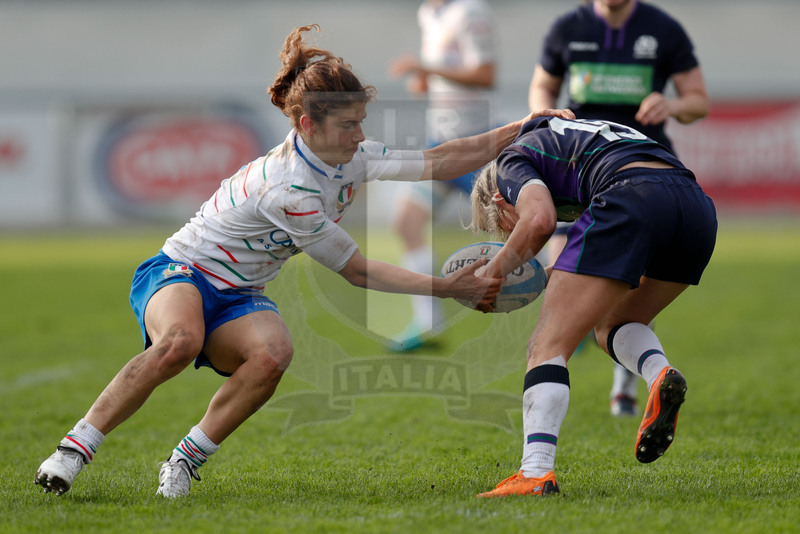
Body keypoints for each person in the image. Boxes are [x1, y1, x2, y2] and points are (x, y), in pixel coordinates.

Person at [33, 24, 572, 498]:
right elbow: (358, 271)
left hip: (241, 292)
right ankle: (73, 450)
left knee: (273, 355)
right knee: (179, 342)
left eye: (361, 122)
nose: (360, 135)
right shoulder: (288, 189)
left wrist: (523, 126)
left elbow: (438, 160)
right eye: (349, 125)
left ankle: (184, 461)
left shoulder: (352, 156)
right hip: (182, 272)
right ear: (308, 125)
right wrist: (448, 287)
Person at [468, 115, 717, 497]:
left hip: (631, 195)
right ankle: (659, 374)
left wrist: (493, 273)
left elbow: (538, 221)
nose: (507, 235)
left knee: (546, 345)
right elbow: (589, 258)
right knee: (614, 323)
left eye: (503, 227)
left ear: (499, 200)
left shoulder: (510, 163)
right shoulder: (578, 143)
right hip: (694, 206)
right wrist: (539, 275)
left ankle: (535, 473)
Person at [528, 0, 710, 416]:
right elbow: (542, 87)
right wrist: (544, 115)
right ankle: (566, 371)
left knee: (635, 283)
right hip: (578, 171)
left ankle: (622, 389)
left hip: (642, 173)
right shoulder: (568, 28)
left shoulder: (662, 28)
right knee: (563, 275)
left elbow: (698, 100)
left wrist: (672, 105)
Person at [387, 0, 496, 350]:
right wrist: (426, 80)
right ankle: (428, 324)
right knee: (407, 221)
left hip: (475, 145)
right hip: (441, 143)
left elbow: (485, 75)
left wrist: (427, 69)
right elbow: (443, 74)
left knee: (523, 230)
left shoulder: (471, 11)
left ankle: (574, 307)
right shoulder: (428, 14)